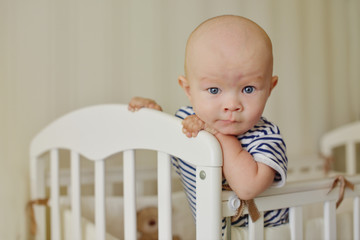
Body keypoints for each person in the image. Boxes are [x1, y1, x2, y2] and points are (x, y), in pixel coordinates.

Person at [128, 15, 288, 234]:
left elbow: (247, 187)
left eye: (248, 89)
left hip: (263, 232)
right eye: (214, 90)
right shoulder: (188, 120)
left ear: (270, 88)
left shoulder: (266, 137)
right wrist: (149, 115)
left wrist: (220, 137)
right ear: (188, 90)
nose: (232, 105)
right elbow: (162, 141)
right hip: (217, 231)